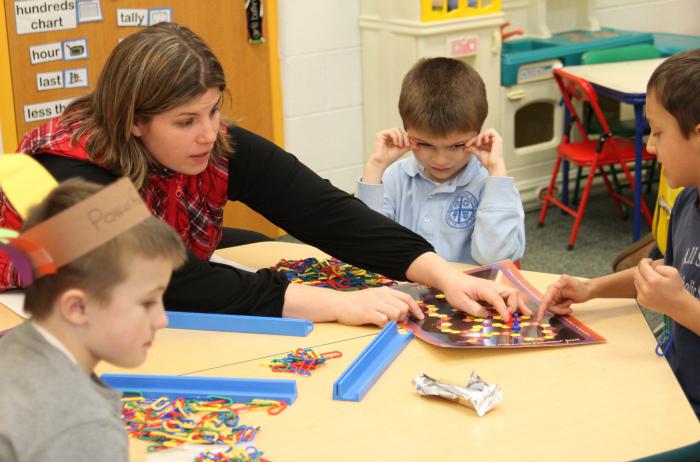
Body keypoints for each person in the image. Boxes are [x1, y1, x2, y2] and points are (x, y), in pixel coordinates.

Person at [0, 23, 524, 324]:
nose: (209, 134)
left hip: (151, 254)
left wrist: (442, 273)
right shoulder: (67, 174)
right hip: (27, 291)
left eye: (213, 110)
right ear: (134, 122)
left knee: (254, 242)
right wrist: (336, 305)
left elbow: (324, 211)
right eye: (186, 121)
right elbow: (165, 280)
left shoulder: (211, 141)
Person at [537, 49, 700, 417]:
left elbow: (674, 297)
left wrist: (678, 306)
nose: (649, 147)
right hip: (676, 391)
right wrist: (590, 288)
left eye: (658, 133)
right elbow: (657, 272)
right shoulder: (688, 201)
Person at [0, 179, 187, 462]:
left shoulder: (11, 345)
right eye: (148, 302)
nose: (162, 320)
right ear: (77, 308)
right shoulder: (81, 426)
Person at [356, 57, 525, 265]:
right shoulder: (394, 177)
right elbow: (366, 248)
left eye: (456, 146)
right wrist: (375, 168)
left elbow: (494, 259)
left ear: (478, 133)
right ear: (406, 131)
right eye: (425, 144)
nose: (441, 159)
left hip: (468, 294)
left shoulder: (493, 186)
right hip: (403, 293)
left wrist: (497, 172)